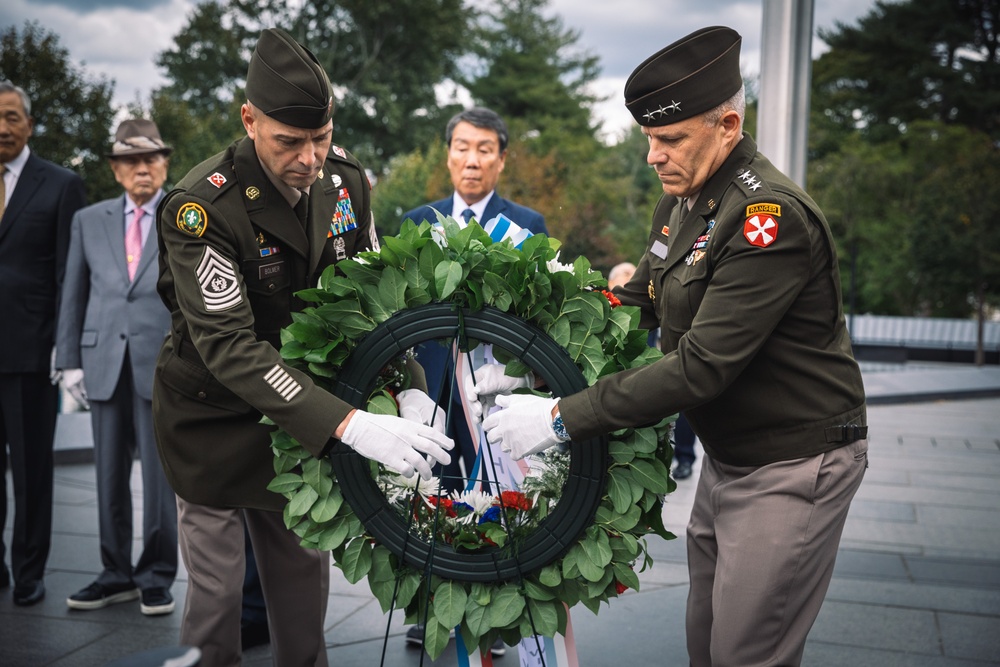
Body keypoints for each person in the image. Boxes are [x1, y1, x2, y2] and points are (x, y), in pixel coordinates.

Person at [479, 26, 868, 667]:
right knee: (706, 643)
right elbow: (639, 304)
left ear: (727, 125)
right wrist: (529, 363)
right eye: (650, 140)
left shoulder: (767, 219)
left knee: (746, 653)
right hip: (731, 456)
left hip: (793, 461)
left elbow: (700, 368)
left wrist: (557, 418)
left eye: (670, 139)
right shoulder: (683, 201)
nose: (654, 156)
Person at [152, 28, 452, 666]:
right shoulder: (202, 209)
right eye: (290, 142)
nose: (311, 158)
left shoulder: (344, 184)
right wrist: (347, 423)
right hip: (211, 418)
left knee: (301, 586)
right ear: (249, 120)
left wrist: (409, 388)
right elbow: (230, 348)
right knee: (216, 597)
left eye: (320, 137)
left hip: (296, 419)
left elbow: (372, 300)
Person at [400, 107, 548, 657]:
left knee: (495, 491)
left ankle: (491, 610)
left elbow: (536, 309)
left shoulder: (527, 223)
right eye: (463, 146)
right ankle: (429, 608)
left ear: (501, 158)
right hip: (433, 384)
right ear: (448, 153)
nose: (472, 159)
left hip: (494, 386)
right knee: (428, 494)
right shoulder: (419, 219)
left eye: (485, 148)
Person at [55, 119, 177, 616]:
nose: (141, 168)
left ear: (165, 163)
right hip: (101, 359)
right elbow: (73, 292)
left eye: (150, 158)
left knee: (159, 477)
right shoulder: (89, 219)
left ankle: (156, 575)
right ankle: (114, 573)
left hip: (163, 364)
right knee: (107, 476)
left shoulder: (185, 214)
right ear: (114, 168)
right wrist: (68, 362)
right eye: (130, 160)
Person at [0, 80, 87, 606]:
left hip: (32, 354)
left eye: (11, 116)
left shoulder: (60, 185)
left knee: (32, 472)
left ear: (29, 123)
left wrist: (65, 349)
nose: (2, 127)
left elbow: (67, 277)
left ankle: (28, 571)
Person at [608, 262, 696, 479]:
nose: (628, 279)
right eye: (624, 277)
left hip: (660, 365)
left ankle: (684, 457)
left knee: (681, 408)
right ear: (612, 284)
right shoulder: (612, 307)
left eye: (632, 276)